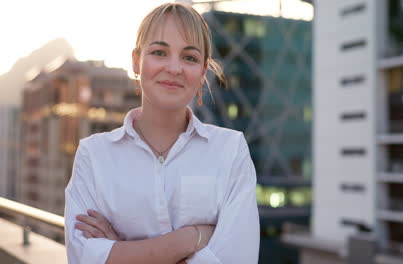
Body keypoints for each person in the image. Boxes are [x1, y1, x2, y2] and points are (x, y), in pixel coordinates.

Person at [64, 2, 259, 264]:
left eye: (189, 57)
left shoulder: (230, 150)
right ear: (136, 61)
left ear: (202, 73)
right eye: (159, 52)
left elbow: (239, 260)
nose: (174, 68)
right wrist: (190, 239)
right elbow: (82, 258)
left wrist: (120, 251)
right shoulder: (93, 154)